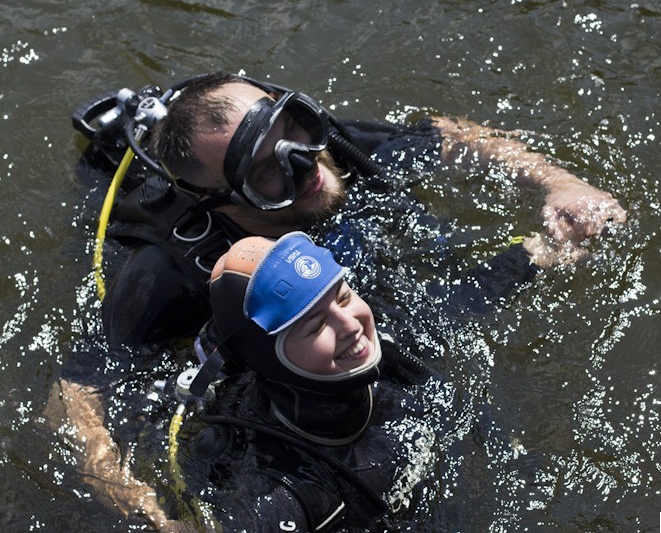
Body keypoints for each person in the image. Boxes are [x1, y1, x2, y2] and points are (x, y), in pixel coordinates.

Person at [79, 71, 628, 345]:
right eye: (267, 169)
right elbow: (80, 390)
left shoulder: (327, 149)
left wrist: (560, 183)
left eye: (292, 127)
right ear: (221, 198)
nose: (307, 165)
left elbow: (448, 135)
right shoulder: (174, 275)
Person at [160, 233, 447, 533]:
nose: (351, 325)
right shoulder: (276, 496)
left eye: (343, 298)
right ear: (272, 359)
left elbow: (461, 301)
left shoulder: (387, 353)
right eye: (316, 326)